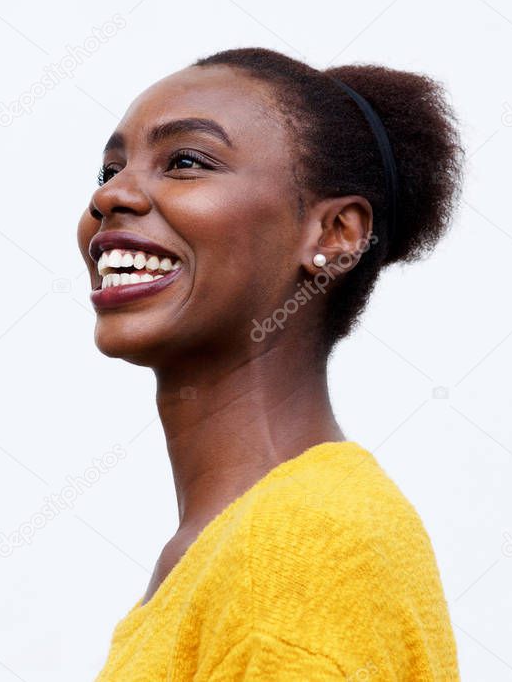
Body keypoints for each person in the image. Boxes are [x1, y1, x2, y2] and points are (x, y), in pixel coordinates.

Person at [77, 46, 464, 680]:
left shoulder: (298, 547)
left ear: (334, 233)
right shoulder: (235, 546)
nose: (113, 197)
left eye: (185, 162)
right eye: (106, 171)